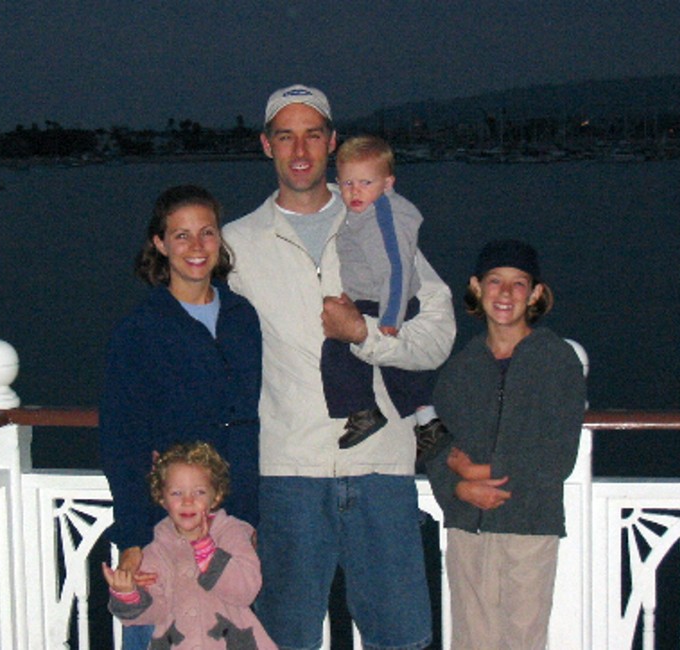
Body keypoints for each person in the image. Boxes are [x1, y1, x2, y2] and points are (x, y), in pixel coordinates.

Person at [223, 84, 456, 650]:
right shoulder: (236, 244)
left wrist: (367, 337)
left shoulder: (380, 221)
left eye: (312, 135)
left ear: (332, 142)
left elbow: (438, 335)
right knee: (284, 640)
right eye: (286, 136)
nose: (300, 149)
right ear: (266, 145)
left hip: (381, 466)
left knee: (399, 639)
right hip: (288, 473)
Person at [99, 185, 262, 650]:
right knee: (155, 633)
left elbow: (250, 418)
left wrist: (250, 518)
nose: (196, 246)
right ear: (160, 243)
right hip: (163, 528)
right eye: (181, 235)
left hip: (231, 523)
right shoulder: (140, 331)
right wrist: (132, 537)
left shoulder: (242, 318)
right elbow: (121, 442)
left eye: (206, 232)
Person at [424, 239, 586, 649]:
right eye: (496, 281)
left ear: (534, 293)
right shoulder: (461, 367)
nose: (506, 293)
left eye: (518, 283)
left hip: (528, 524)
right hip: (467, 526)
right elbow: (434, 439)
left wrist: (484, 471)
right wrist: (457, 487)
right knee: (470, 640)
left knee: (522, 640)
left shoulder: (556, 361)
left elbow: (558, 454)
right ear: (477, 287)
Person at [322, 134, 440, 452]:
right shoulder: (363, 212)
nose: (355, 191)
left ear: (387, 183)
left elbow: (397, 269)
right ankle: (429, 423)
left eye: (366, 183)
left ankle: (363, 411)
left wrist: (390, 317)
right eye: (348, 184)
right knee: (399, 371)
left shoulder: (384, 216)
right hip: (371, 298)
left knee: (337, 352)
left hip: (385, 302)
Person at [103, 441, 277, 650]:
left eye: (199, 492)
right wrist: (128, 594)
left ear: (216, 496)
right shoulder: (156, 548)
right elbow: (156, 612)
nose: (187, 501)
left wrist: (209, 555)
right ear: (162, 498)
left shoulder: (231, 533)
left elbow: (246, 590)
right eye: (177, 493)